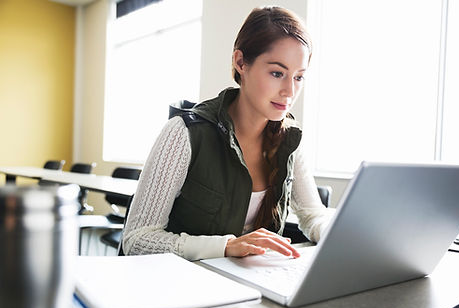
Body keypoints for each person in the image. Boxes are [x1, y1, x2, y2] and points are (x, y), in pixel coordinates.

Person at [122, 6, 332, 261]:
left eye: (299, 77)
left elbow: (312, 216)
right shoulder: (184, 133)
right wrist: (225, 246)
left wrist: (340, 236)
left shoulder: (289, 140)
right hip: (183, 288)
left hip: (254, 286)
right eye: (277, 73)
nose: (290, 91)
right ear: (240, 62)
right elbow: (136, 239)